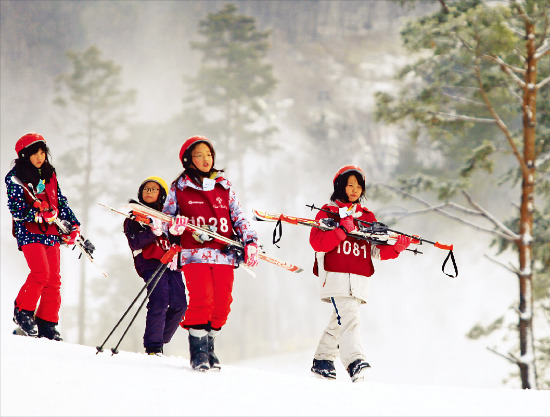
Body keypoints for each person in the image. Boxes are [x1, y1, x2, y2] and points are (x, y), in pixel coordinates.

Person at [163, 135, 259, 371]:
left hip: (224, 254)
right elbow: (165, 220)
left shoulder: (223, 186)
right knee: (201, 299)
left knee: (223, 304)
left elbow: (238, 216)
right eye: (199, 155)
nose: (205, 159)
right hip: (194, 254)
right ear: (188, 160)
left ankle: (209, 344)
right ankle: (198, 352)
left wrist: (251, 241)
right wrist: (174, 226)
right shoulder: (180, 187)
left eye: (208, 154)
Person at [309, 165, 412, 382]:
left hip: (359, 278)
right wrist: (341, 229)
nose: (355, 190)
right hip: (336, 275)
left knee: (341, 320)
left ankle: (323, 361)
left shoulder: (367, 216)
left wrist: (395, 248)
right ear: (340, 186)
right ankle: (355, 362)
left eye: (359, 186)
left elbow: (374, 250)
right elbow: (317, 243)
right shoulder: (328, 212)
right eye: (350, 185)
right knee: (350, 320)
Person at [5, 133, 81, 341]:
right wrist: (38, 215)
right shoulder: (16, 177)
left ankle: (47, 323)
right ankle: (23, 311)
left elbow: (61, 202)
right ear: (23, 155)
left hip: (51, 234)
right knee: (41, 273)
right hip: (29, 232)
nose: (40, 157)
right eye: (34, 153)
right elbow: (16, 209)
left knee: (54, 279)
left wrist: (74, 225)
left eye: (42, 153)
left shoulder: (49, 174)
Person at [123, 176, 188, 356]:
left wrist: (175, 233)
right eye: (146, 189)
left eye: (154, 189)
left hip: (171, 262)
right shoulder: (135, 215)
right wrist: (153, 232)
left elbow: (179, 239)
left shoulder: (170, 215)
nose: (149, 192)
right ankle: (153, 346)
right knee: (160, 300)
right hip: (150, 262)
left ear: (162, 194)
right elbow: (135, 242)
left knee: (180, 304)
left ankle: (160, 337)